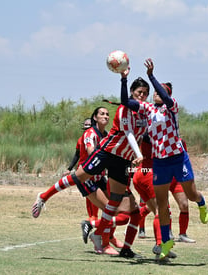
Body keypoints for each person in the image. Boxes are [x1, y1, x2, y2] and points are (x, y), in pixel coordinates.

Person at [33, 73, 150, 258]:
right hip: (107, 153)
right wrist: (139, 155)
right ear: (131, 93)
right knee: (77, 178)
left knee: (124, 209)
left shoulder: (146, 112)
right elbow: (127, 133)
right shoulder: (123, 110)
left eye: (145, 93)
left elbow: (146, 133)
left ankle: (114, 244)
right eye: (138, 92)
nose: (142, 96)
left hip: (123, 161)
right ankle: (44, 197)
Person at [122, 58, 208, 261]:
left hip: (178, 159)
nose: (155, 92)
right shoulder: (147, 109)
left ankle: (202, 202)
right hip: (159, 162)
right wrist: (123, 80)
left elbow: (164, 95)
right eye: (154, 89)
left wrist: (152, 76)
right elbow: (127, 102)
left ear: (168, 94)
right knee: (162, 204)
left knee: (191, 194)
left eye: (160, 90)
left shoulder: (172, 108)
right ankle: (165, 242)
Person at [31, 107, 127, 255]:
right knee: (109, 209)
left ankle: (109, 238)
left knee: (117, 210)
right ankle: (103, 243)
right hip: (87, 178)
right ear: (94, 117)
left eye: (108, 114)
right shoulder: (90, 133)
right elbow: (91, 152)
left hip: (100, 177)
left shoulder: (107, 135)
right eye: (102, 114)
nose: (106, 116)